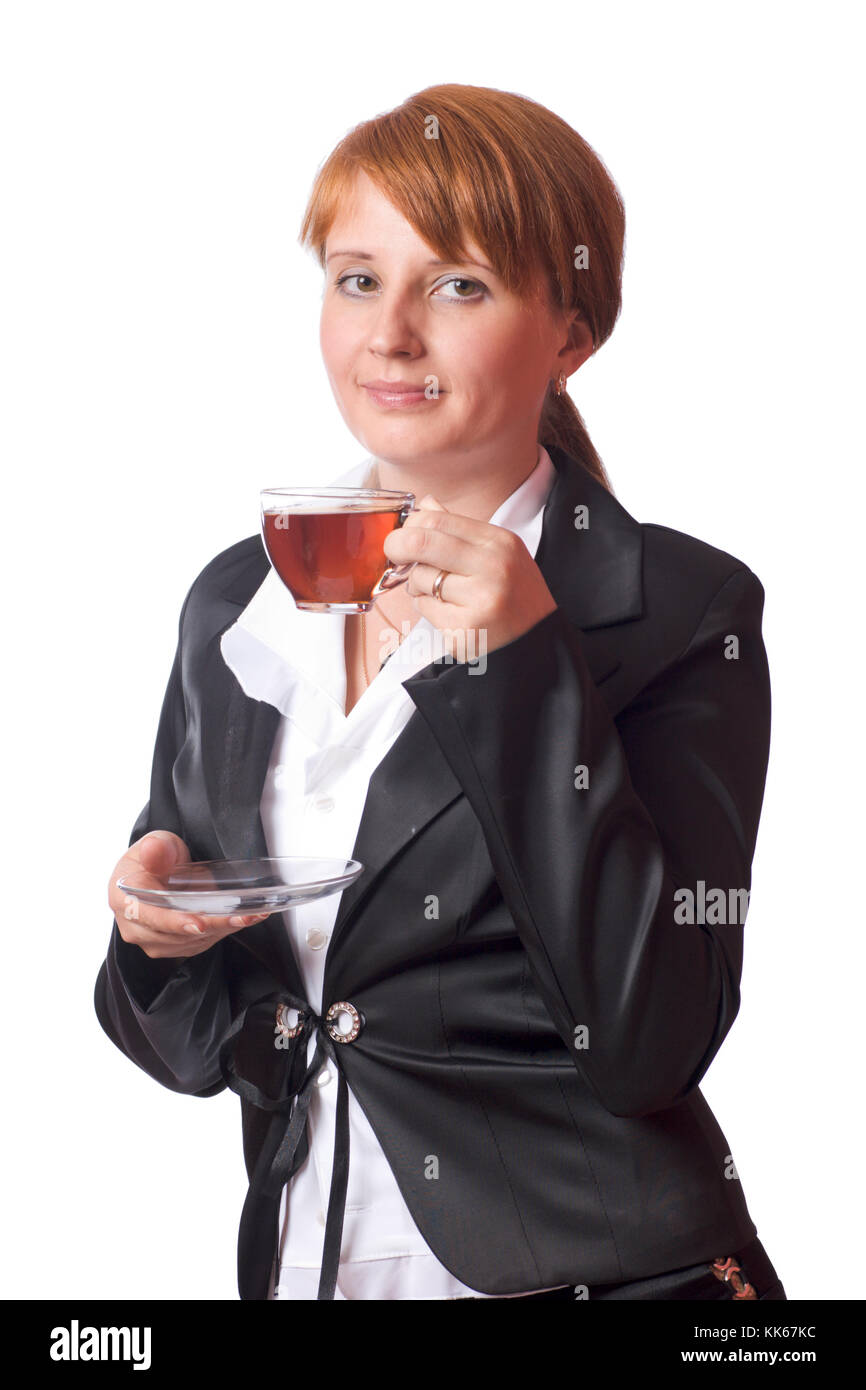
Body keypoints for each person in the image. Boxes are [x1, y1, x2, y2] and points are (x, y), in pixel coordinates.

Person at [94, 82, 786, 1301]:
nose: (389, 334)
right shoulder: (236, 604)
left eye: (457, 284)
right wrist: (154, 939)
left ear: (570, 334)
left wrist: (521, 666)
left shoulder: (680, 610)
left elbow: (653, 1038)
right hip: (313, 1263)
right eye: (357, 278)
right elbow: (199, 1044)